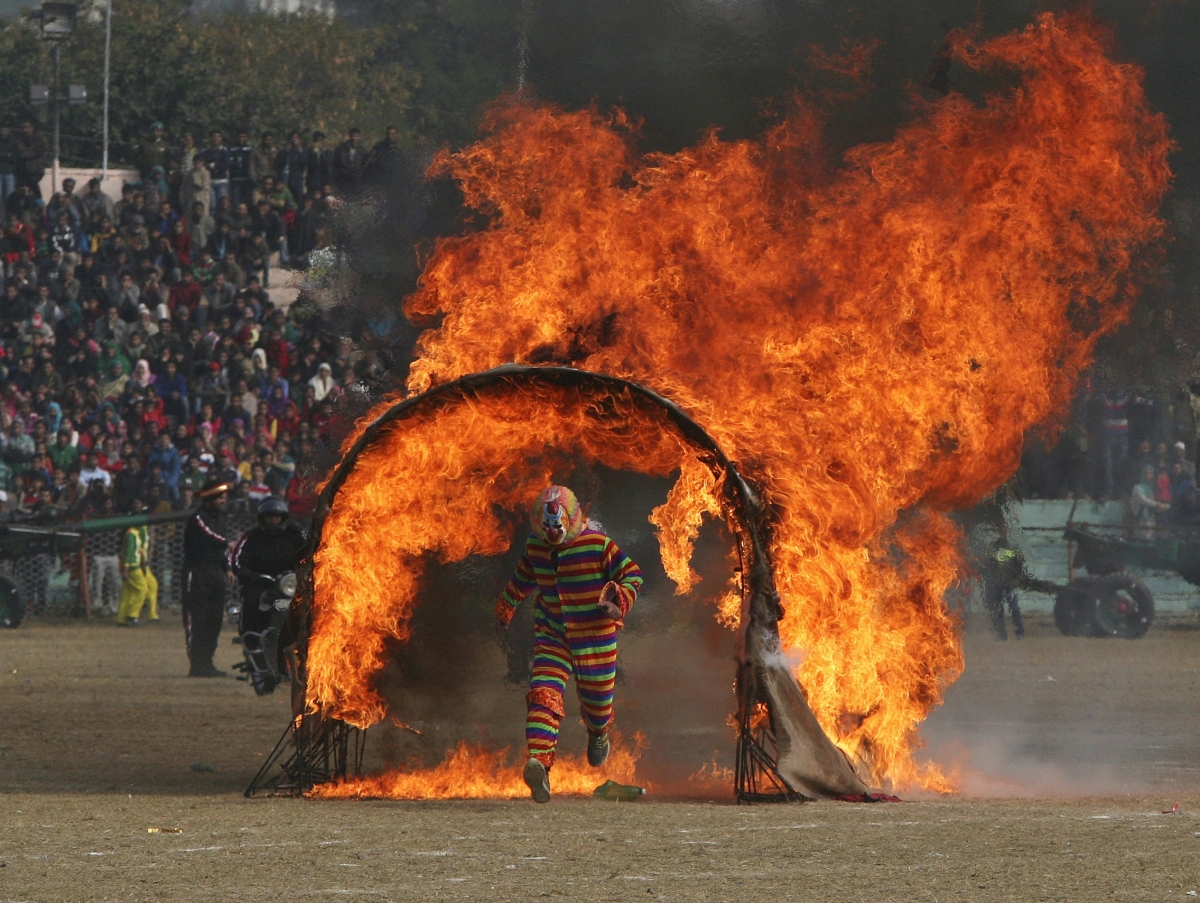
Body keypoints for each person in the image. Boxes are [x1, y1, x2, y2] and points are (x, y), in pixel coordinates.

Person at [495, 485, 642, 803]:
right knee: (542, 697)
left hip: (596, 639)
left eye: (557, 527)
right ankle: (541, 766)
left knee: (597, 705)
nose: (551, 534)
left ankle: (598, 732)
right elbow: (523, 577)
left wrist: (618, 602)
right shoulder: (535, 546)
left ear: (571, 520)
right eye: (545, 528)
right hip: (553, 636)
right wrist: (507, 604)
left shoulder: (597, 544)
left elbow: (632, 574)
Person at [180, 477, 234, 677]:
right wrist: (226, 543)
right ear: (211, 497)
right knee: (197, 618)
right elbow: (209, 536)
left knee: (214, 619)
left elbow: (220, 548)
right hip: (197, 573)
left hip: (215, 573)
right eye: (221, 497)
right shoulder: (199, 518)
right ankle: (197, 664)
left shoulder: (221, 517)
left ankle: (207, 662)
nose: (223, 500)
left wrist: (227, 568)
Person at [232, 495, 305, 635]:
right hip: (261, 584)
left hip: (290, 584)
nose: (273, 521)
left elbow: (310, 554)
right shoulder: (252, 537)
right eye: (269, 517)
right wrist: (251, 575)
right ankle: (251, 638)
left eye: (277, 517)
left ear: (283, 517)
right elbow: (237, 561)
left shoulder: (295, 535)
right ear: (262, 518)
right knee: (251, 602)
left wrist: (303, 572)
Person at [116, 497, 159, 626]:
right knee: (142, 588)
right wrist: (127, 568)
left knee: (130, 591)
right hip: (135, 565)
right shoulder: (133, 534)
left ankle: (123, 618)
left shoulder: (139, 531)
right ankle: (132, 615)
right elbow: (131, 551)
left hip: (138, 563)